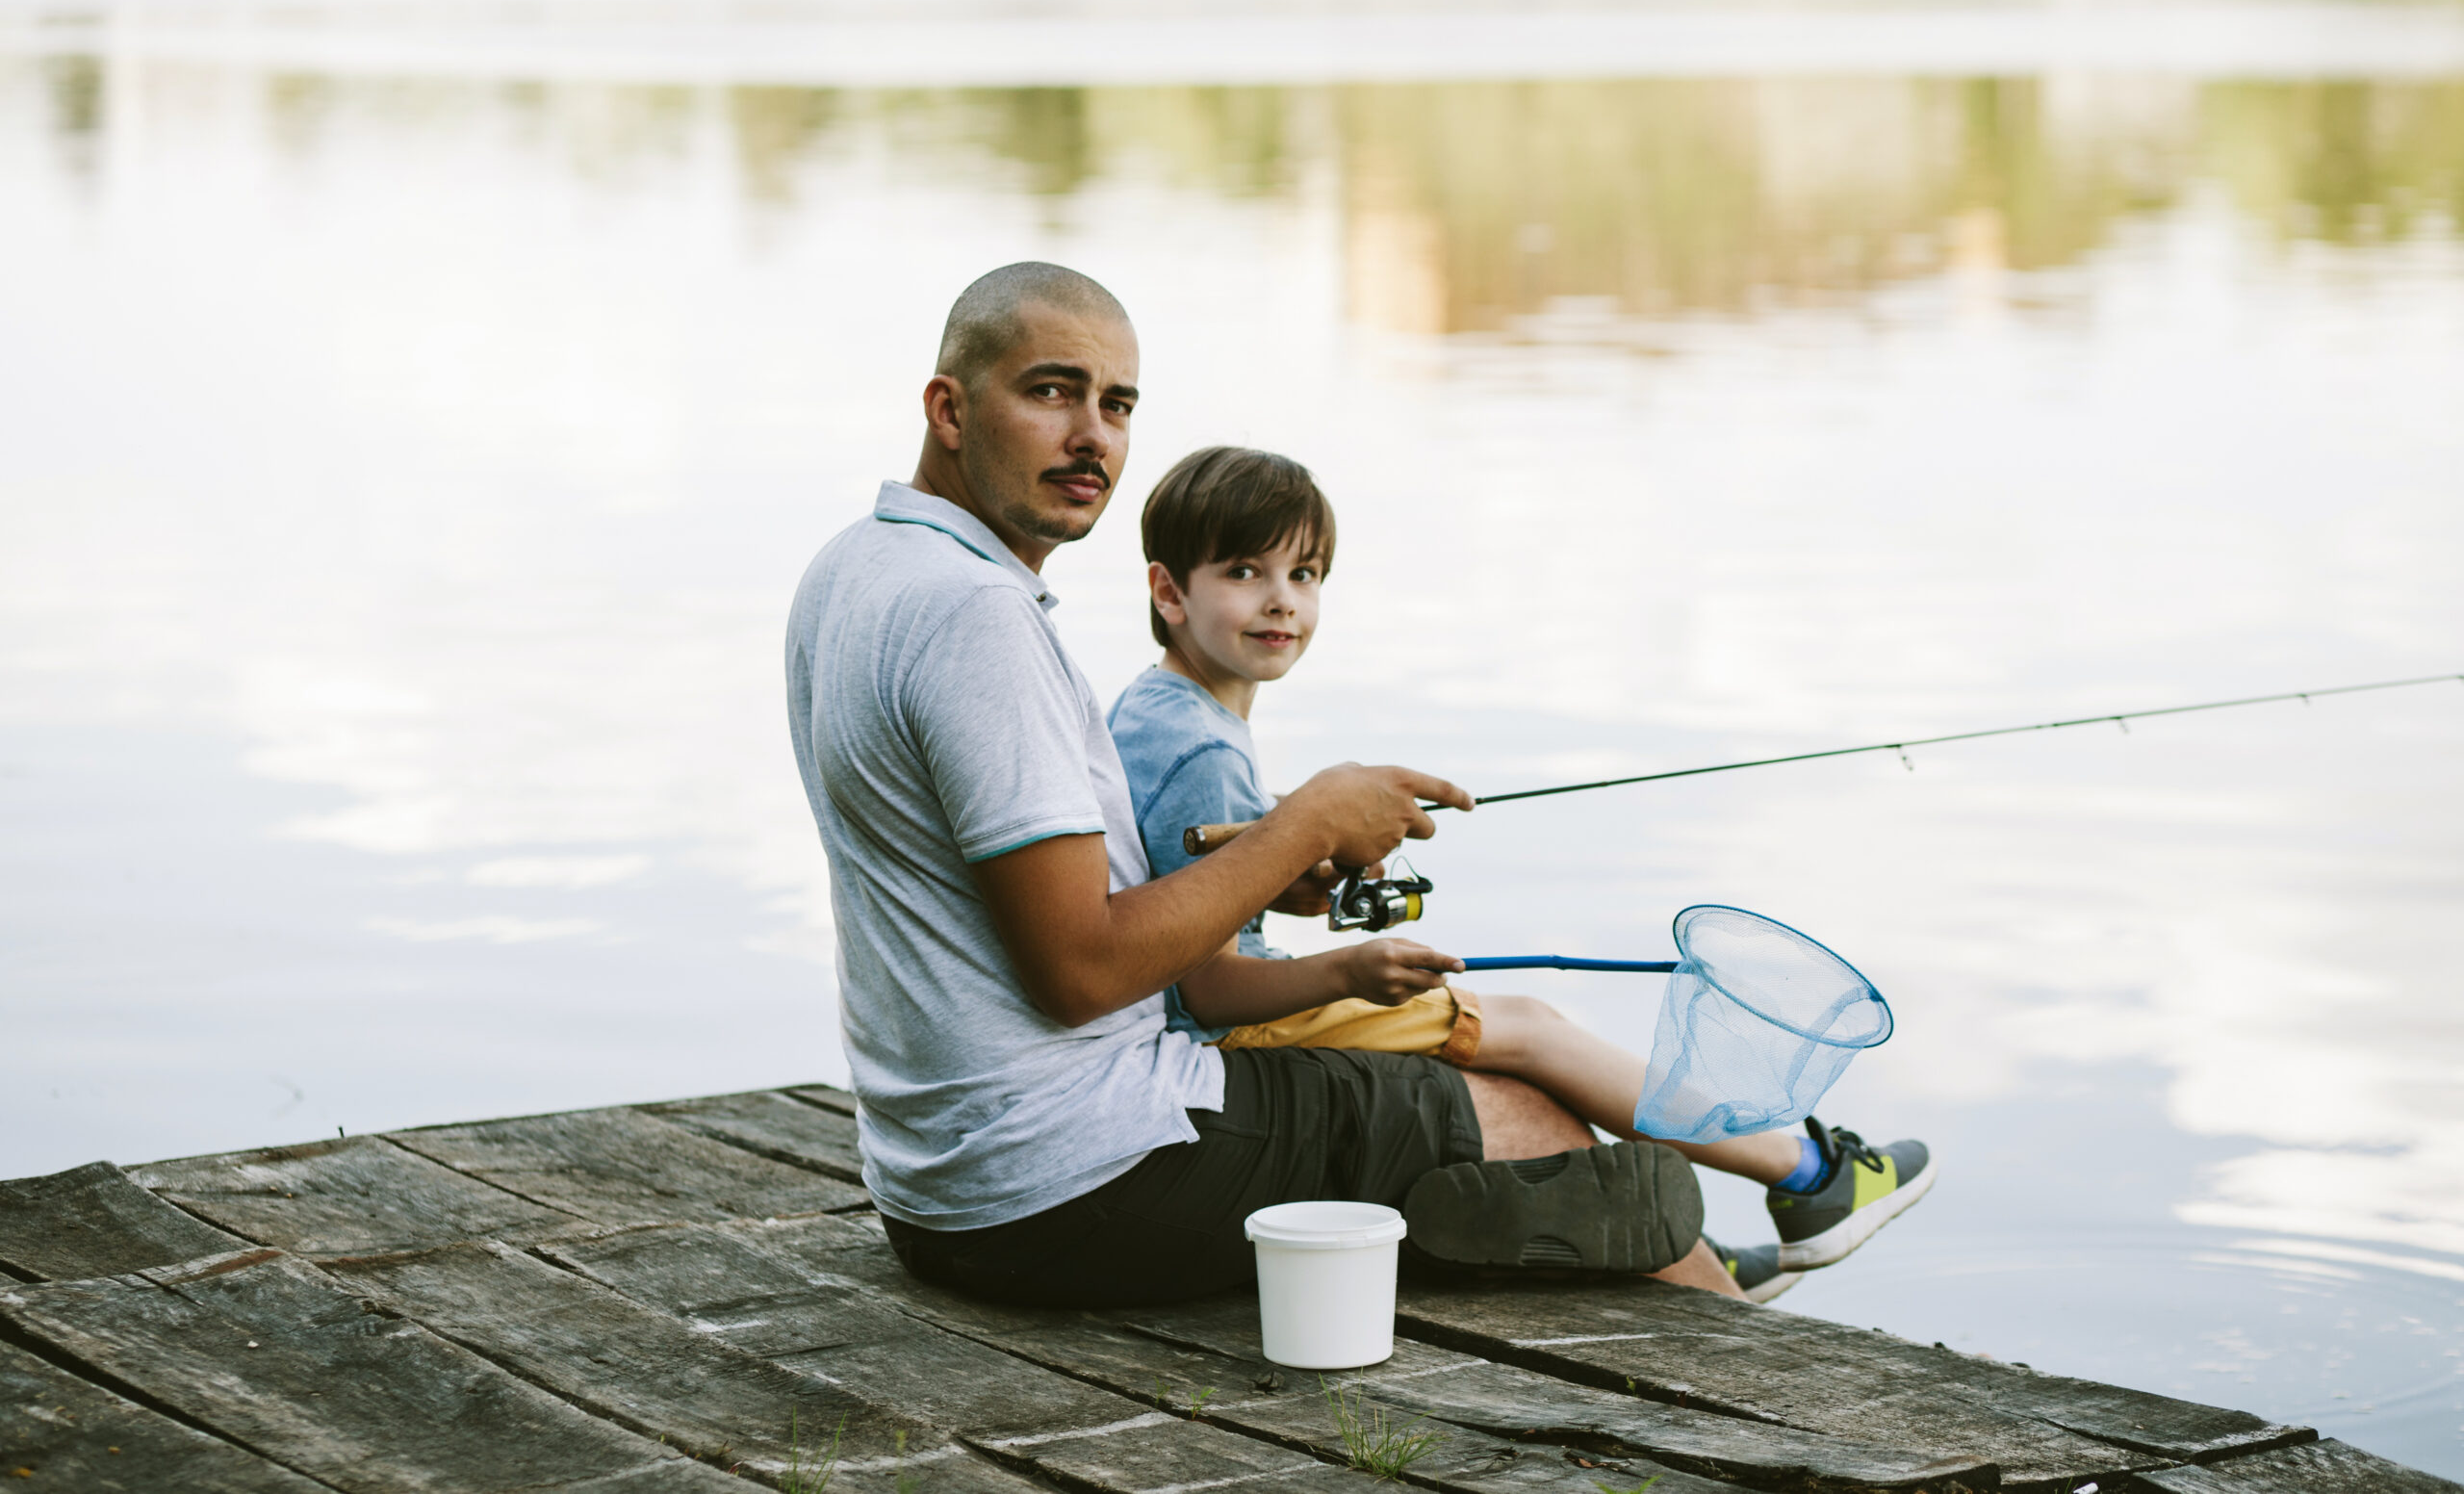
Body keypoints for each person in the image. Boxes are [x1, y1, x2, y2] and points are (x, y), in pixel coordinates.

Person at [786, 260, 1721, 1308]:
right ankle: (1763, 1389)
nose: (1092, 435)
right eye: (1051, 391)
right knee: (1531, 1127)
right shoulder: (976, 617)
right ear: (949, 409)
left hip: (943, 1191)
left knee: (1495, 1134)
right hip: (1081, 1177)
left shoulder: (855, 569)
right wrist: (1309, 818)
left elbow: (991, 902)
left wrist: (1256, 875)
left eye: (1118, 404)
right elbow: (1080, 972)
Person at [1107, 444, 1936, 1302]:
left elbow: (1189, 877)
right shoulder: (1201, 744)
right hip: (1227, 1035)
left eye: (1306, 571)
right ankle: (1807, 1173)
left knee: (1526, 1034)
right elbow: (1201, 988)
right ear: (1170, 592)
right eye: (1246, 570)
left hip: (1213, 1016)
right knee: (1533, 1030)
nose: (1282, 597)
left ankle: (1709, 1249)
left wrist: (1285, 855)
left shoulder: (1157, 709)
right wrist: (1348, 970)